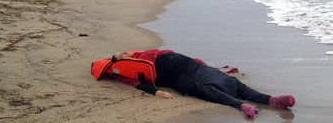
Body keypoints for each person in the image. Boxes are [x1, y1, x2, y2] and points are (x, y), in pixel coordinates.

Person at [110, 49, 295, 118]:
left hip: (192, 65)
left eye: (124, 52)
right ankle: (242, 106)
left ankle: (272, 100)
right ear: (120, 62)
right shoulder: (127, 70)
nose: (125, 54)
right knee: (205, 89)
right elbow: (136, 84)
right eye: (121, 56)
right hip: (178, 77)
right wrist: (156, 92)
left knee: (231, 82)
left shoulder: (142, 53)